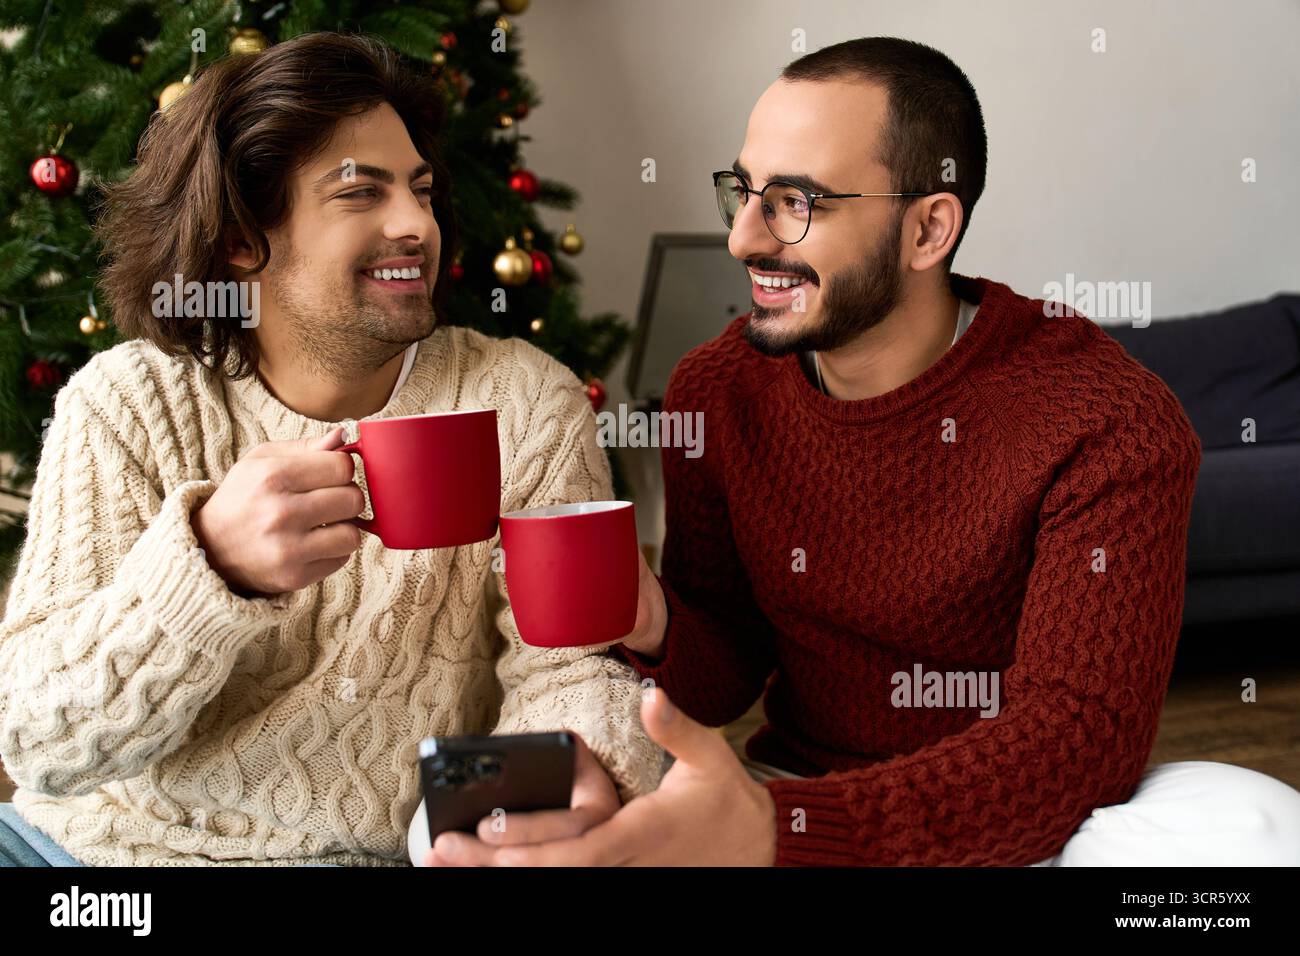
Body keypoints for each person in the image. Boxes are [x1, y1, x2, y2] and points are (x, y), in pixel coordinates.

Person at [419, 36, 1300, 867]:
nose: (744, 239)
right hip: (794, 797)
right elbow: (721, 679)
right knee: (460, 806)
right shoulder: (717, 390)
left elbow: (1077, 743)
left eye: (795, 204)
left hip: (1033, 822)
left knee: (1260, 831)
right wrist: (654, 621)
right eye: (744, 191)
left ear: (928, 230)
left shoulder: (1108, 420)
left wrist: (781, 835)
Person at [0, 32, 663, 868]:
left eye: (421, 190)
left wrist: (571, 770)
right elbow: (35, 742)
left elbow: (567, 673)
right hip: (94, 857)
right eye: (361, 193)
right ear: (242, 237)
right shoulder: (129, 404)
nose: (415, 223)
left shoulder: (526, 403)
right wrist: (205, 570)